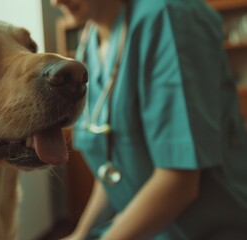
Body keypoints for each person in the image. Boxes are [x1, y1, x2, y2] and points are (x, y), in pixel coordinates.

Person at [51, 0, 247, 239]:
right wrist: (79, 235)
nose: (55, 2)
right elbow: (112, 168)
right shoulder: (90, 40)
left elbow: (179, 182)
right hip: (146, 229)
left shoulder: (169, 17)